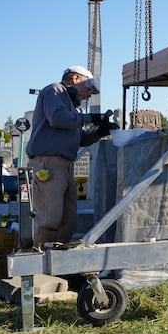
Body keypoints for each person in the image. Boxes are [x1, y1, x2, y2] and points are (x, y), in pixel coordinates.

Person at [25, 65, 117, 249]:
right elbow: (58, 119)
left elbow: (79, 139)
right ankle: (39, 258)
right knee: (50, 217)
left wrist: (100, 132)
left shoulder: (71, 109)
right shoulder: (55, 90)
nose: (89, 94)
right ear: (75, 79)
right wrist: (92, 118)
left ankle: (57, 260)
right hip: (48, 163)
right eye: (88, 87)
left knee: (68, 219)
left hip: (64, 165)